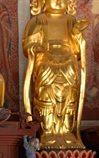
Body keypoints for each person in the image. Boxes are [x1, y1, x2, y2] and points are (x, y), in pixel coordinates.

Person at [22, 0, 88, 149]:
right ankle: (47, 132)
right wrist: (34, 46)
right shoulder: (38, 20)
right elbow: (27, 46)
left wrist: (78, 35)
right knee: (46, 94)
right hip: (45, 60)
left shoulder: (70, 20)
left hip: (68, 61)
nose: (59, 2)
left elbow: (77, 51)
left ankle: (67, 132)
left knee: (70, 95)